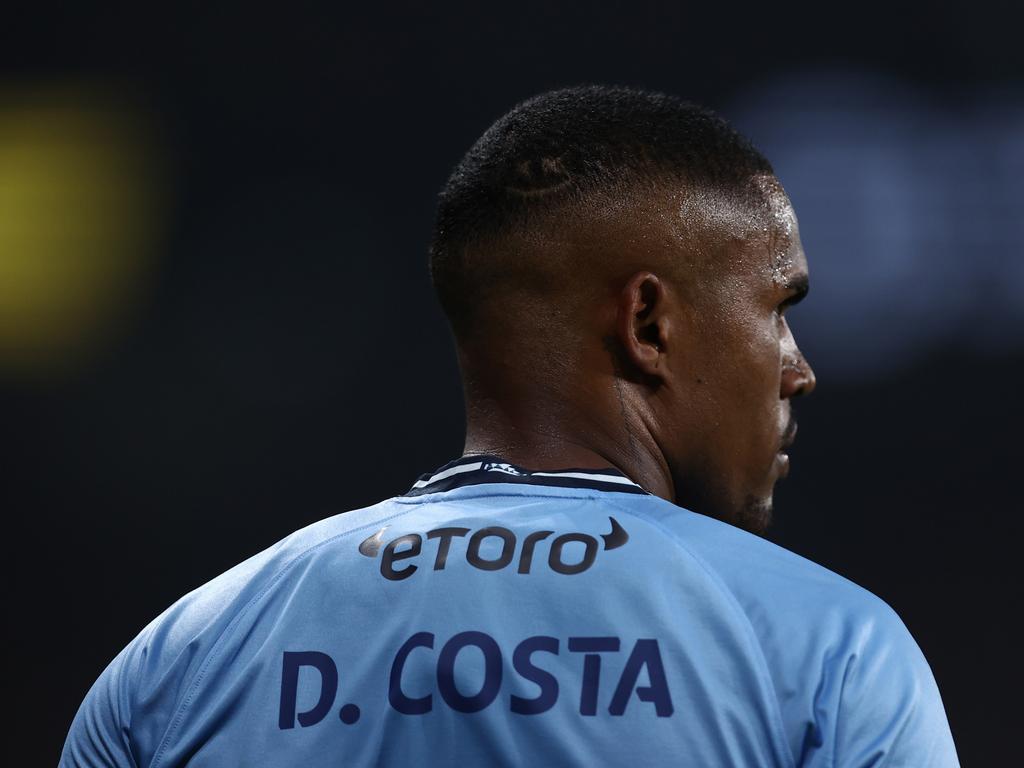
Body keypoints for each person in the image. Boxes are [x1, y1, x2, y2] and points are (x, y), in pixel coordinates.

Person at [61, 85, 959, 767]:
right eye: (777, 309)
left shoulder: (179, 664)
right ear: (649, 325)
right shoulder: (831, 654)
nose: (799, 367)